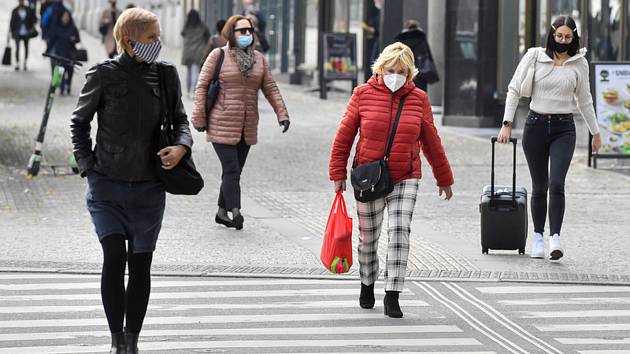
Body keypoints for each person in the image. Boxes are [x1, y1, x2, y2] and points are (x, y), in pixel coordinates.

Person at [70, 7, 192, 354]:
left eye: (158, 36)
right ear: (129, 40)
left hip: (150, 187)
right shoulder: (103, 75)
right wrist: (88, 166)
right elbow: (79, 123)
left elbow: (181, 122)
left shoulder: (166, 76)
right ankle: (116, 340)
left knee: (140, 264)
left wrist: (181, 147)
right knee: (114, 257)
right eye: (152, 37)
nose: (159, 43)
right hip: (107, 185)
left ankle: (132, 341)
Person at [329, 42, 454, 318]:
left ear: (410, 73)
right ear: (380, 69)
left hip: (406, 176)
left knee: (399, 232)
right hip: (368, 177)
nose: (395, 75)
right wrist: (337, 173)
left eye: (401, 71)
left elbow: (431, 140)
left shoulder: (418, 99)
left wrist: (444, 177)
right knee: (368, 238)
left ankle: (393, 294)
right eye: (390, 70)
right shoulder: (362, 94)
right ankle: (367, 283)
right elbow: (344, 135)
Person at [497, 15, 602, 261]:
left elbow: (585, 101)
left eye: (568, 37)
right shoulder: (535, 56)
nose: (563, 41)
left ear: (574, 38)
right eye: (559, 36)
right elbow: (514, 89)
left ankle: (555, 237)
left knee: (557, 184)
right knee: (539, 186)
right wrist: (507, 124)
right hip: (535, 126)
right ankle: (538, 237)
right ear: (552, 35)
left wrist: (596, 133)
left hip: (564, 128)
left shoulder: (580, 63)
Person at [192, 15, 289, 230]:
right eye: (241, 31)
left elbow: (270, 88)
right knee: (232, 169)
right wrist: (199, 118)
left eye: (249, 31)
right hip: (221, 122)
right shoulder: (218, 56)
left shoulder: (259, 59)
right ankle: (235, 211)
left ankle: (220, 211)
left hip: (247, 125)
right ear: (231, 33)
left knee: (233, 172)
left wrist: (282, 113)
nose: (246, 35)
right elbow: (202, 86)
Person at [394, 19, 435, 91]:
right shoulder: (421, 39)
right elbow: (428, 56)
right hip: (420, 72)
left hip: (404, 72)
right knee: (419, 93)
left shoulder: (400, 40)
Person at [46, 8, 79, 95]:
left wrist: (74, 39)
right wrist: (47, 51)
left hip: (70, 54)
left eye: (67, 16)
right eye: (64, 16)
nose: (66, 18)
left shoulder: (72, 28)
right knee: (61, 71)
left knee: (70, 71)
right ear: (61, 17)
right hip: (59, 53)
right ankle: (62, 88)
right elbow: (52, 41)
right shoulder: (56, 28)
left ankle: (68, 85)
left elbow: (78, 39)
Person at [181, 9, 209, 97]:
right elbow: (208, 36)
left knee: (189, 72)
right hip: (198, 52)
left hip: (188, 52)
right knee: (195, 71)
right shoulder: (202, 27)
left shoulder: (186, 27)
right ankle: (193, 91)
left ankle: (188, 91)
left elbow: (182, 34)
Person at [9, 0, 38, 71]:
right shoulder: (15, 11)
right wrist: (10, 34)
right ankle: (17, 63)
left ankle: (25, 62)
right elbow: (11, 23)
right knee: (17, 47)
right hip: (17, 33)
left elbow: (34, 19)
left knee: (26, 48)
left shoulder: (29, 10)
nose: (21, 2)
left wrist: (32, 27)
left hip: (26, 33)